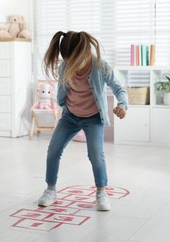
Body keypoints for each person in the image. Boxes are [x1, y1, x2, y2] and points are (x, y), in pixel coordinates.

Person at [37, 31, 128, 211]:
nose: (72, 67)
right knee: (53, 149)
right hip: (70, 116)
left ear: (86, 54)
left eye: (75, 63)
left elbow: (118, 88)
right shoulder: (64, 67)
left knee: (96, 154)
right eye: (69, 63)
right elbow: (64, 93)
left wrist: (123, 104)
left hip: (93, 118)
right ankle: (50, 189)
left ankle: (101, 193)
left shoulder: (100, 66)